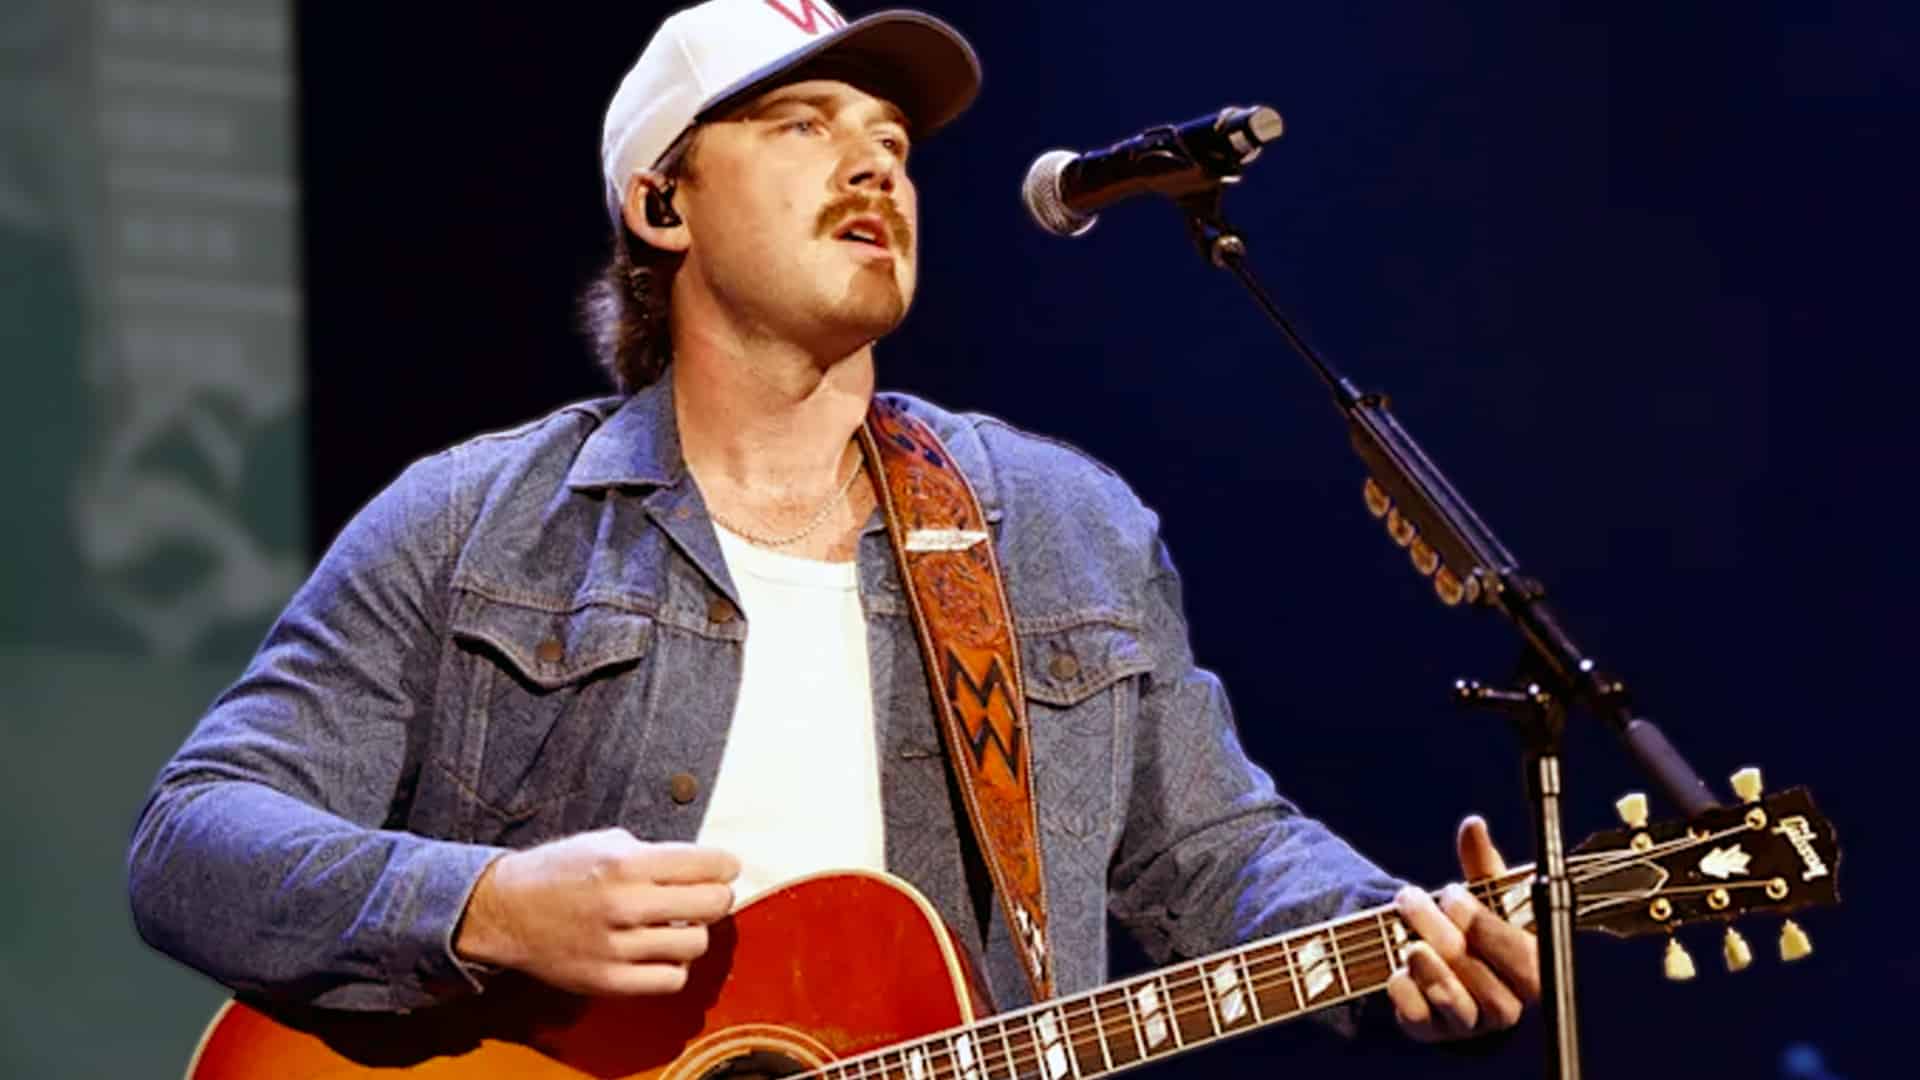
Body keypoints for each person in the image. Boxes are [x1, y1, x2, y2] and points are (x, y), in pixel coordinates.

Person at [128, 0, 1537, 1052]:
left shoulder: (1059, 527)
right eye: (802, 127)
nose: (872, 170)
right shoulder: (471, 524)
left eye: (891, 144)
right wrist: (483, 904)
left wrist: (1374, 928)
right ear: (661, 200)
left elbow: (1211, 850)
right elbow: (193, 842)